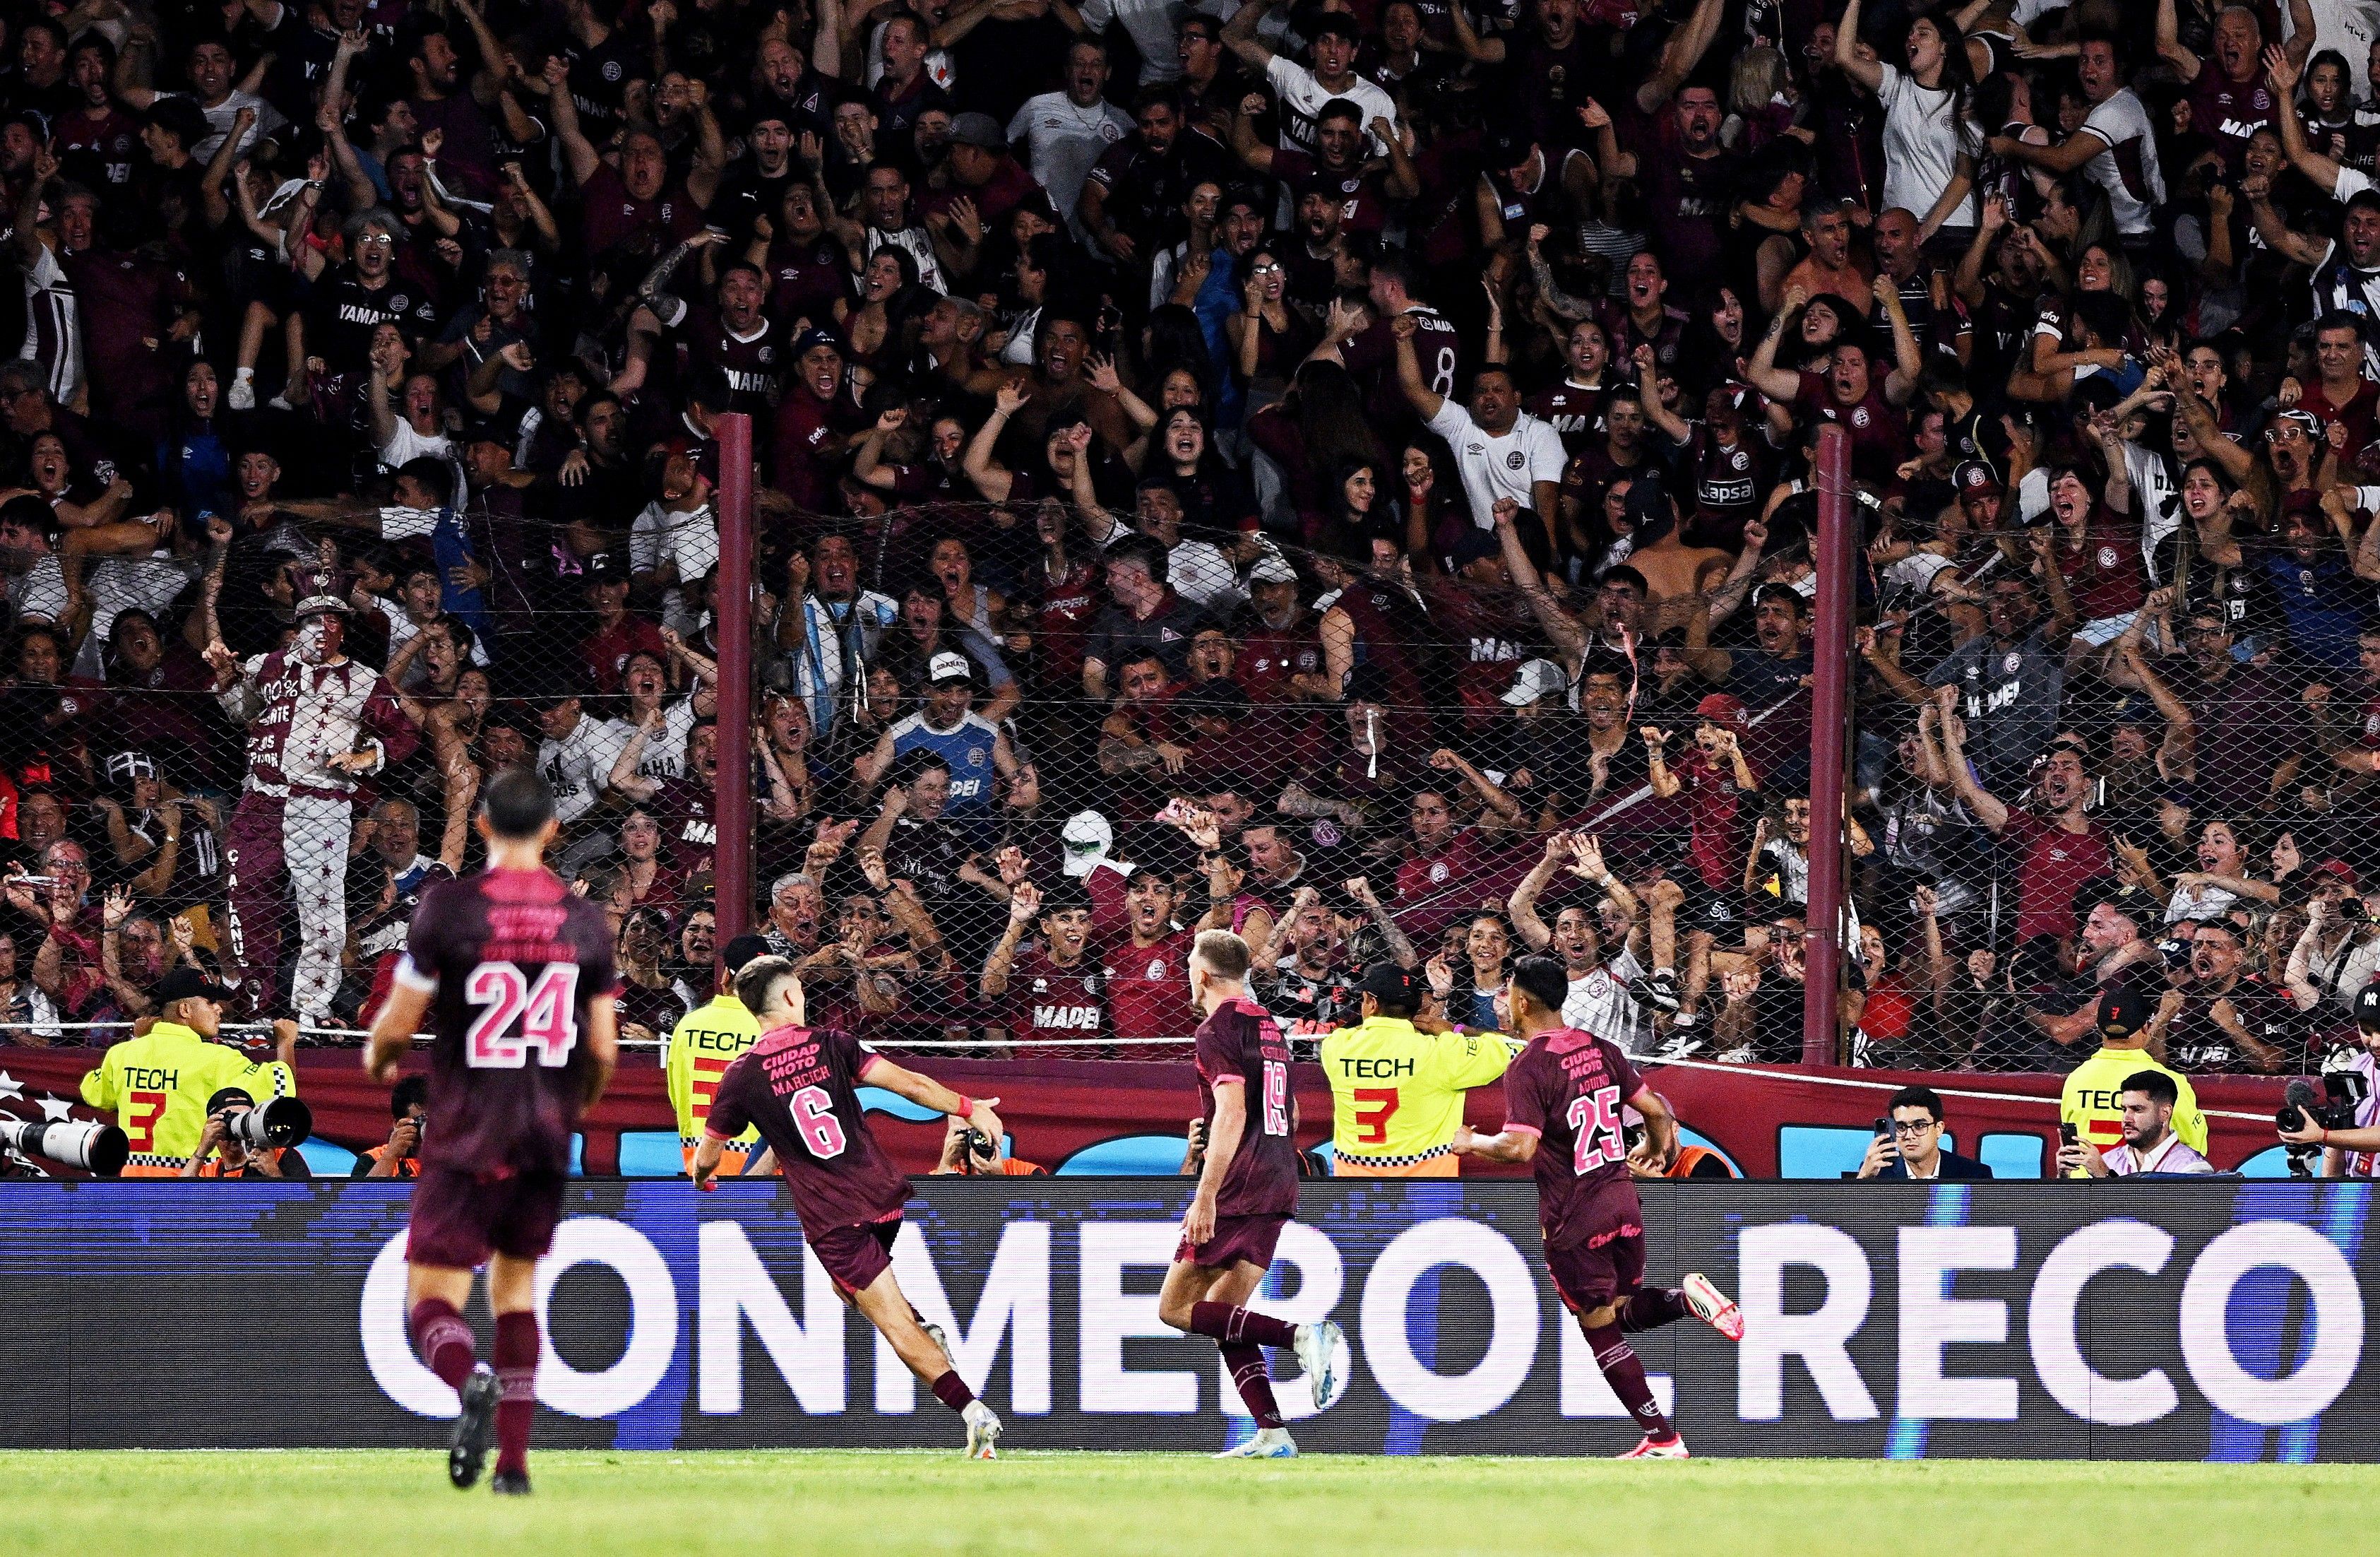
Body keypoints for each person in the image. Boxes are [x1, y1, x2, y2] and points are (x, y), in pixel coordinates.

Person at [364, 768, 623, 1498]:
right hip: (543, 1127)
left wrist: (380, 1056)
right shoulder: (583, 921)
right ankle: (513, 1467)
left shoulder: (447, 908)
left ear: (482, 828)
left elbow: (401, 1020)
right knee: (517, 1292)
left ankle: (464, 1374)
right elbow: (602, 1050)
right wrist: (574, 1102)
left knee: (434, 1299)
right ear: (552, 829)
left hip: (465, 1128)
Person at [694, 954, 1008, 1458]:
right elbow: (911, 1085)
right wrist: (969, 1107)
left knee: (891, 1325)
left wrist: (704, 1181)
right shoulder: (833, 1044)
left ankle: (974, 1413)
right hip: (883, 1199)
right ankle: (922, 1327)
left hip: (834, 1219)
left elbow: (708, 1157)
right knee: (852, 1293)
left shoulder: (742, 1077)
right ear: (794, 997)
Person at [1452, 955, 1743, 1458]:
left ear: (1521, 1002)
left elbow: (1520, 1149)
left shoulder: (1528, 1066)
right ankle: (1684, 1301)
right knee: (1622, 1313)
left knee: (1600, 1331)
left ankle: (1664, 1439)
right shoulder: (1603, 1048)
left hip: (1574, 1214)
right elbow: (1655, 1110)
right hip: (1623, 1202)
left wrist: (1472, 1144)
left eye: (1508, 993)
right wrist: (1656, 1148)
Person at [1155, 928, 1347, 1459]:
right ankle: (1273, 1432)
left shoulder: (1216, 1029)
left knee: (1175, 1308)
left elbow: (1236, 1111)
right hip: (1279, 1174)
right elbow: (1292, 1110)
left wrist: (1206, 1193)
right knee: (1227, 1312)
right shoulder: (1270, 1027)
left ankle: (1301, 1336)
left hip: (1240, 1180)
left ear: (1202, 974)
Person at [76, 969, 297, 1176]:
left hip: (134, 1182)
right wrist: (286, 1043)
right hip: (193, 1185)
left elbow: (93, 1091)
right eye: (210, 1002)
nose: (218, 1009)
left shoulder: (122, 1054)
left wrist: (138, 1041)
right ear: (185, 1010)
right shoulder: (217, 1059)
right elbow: (282, 1092)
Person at [1319, 961, 1512, 1177]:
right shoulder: (1442, 1053)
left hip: (1358, 1200)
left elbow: (1359, 1032)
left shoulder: (1336, 1047)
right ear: (1416, 1008)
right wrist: (1454, 1030)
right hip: (1427, 1200)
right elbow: (1515, 1048)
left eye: (1364, 1000)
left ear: (1372, 1003)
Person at [2058, 985, 2209, 1178]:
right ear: (2146, 1027)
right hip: (2142, 1199)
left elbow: (2070, 1144)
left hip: (2086, 1197)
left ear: (2099, 1028)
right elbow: (2196, 1145)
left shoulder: (2076, 1080)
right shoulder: (2169, 1082)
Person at [665, 933, 773, 1175]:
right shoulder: (773, 1031)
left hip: (702, 1170)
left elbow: (676, 1097)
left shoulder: (686, 1027)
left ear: (726, 976)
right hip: (760, 1178)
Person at [2058, 1070, 2216, 1176]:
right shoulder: (2109, 1159)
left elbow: (2162, 1220)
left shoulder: (2191, 1168)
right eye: (2124, 1109)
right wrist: (2064, 1176)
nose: (2127, 1118)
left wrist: (2104, 1176)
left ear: (2165, 1113)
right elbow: (2081, 1220)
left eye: (2137, 1109)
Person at [1855, 1085, 1996, 1180]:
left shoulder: (1974, 1175)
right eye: (1901, 1127)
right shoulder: (1879, 1173)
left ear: (1939, 1129)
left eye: (1919, 1126)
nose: (1909, 1136)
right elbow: (1850, 1222)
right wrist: (1863, 1179)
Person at [354, 1074, 429, 1180]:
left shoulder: (453, 1157)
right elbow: (361, 1196)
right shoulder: (374, 1158)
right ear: (396, 1122)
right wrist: (391, 1155)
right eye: (421, 1121)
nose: (428, 1128)